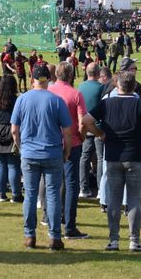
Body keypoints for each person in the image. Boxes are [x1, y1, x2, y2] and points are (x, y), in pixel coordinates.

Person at [82, 71, 141, 251]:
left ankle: (113, 240)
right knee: (133, 199)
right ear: (134, 86)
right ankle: (134, 240)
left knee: (114, 199)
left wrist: (100, 134)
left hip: (113, 156)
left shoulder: (107, 103)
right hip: (136, 156)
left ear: (117, 85)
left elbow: (86, 121)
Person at [11, 64, 72, 251]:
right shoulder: (56, 100)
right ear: (48, 79)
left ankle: (30, 235)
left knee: (30, 194)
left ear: (32, 80)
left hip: (29, 153)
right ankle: (54, 237)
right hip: (52, 152)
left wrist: (21, 147)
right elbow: (68, 131)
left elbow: (14, 129)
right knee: (52, 194)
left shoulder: (22, 99)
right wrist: (66, 150)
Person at [48, 61, 89, 240]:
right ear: (71, 75)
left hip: (51, 142)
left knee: (53, 183)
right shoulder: (75, 94)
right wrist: (81, 136)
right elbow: (82, 121)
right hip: (72, 142)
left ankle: (52, 221)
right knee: (72, 184)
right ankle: (70, 226)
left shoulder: (48, 91)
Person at [0, 74, 22, 202]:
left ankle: (1, 194)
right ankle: (16, 194)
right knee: (13, 165)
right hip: (11, 131)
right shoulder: (16, 100)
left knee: (0, 165)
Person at [78, 63, 104, 198]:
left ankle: (83, 188)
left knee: (85, 157)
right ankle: (100, 189)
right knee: (100, 158)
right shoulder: (101, 88)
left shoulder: (80, 86)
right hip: (98, 127)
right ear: (98, 73)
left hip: (84, 126)